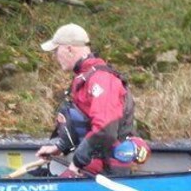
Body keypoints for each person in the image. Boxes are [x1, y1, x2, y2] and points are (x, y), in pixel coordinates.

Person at [36, 23, 147, 177]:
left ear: (69, 49)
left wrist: (75, 165)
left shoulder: (101, 80)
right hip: (89, 166)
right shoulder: (84, 77)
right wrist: (60, 147)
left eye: (56, 50)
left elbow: (105, 130)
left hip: (107, 171)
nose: (55, 55)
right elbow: (81, 122)